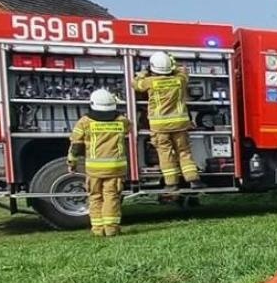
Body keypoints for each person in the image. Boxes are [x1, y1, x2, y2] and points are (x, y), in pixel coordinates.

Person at [133, 50, 202, 194]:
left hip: (160, 126)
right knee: (184, 152)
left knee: (165, 153)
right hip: (180, 124)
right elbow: (183, 70)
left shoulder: (150, 82)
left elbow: (136, 84)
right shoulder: (180, 80)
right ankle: (193, 179)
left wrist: (144, 72)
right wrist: (172, 63)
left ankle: (171, 184)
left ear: (153, 67)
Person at [67, 88, 130, 236]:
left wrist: (72, 163)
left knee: (95, 197)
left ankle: (97, 229)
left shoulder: (84, 122)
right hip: (116, 168)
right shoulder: (121, 121)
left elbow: (75, 145)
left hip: (94, 169)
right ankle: (111, 228)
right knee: (111, 196)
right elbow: (130, 127)